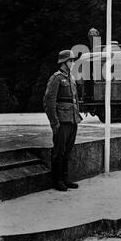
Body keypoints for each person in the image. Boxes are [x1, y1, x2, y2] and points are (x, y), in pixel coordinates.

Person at [43, 50, 82, 191]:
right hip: (62, 120)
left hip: (72, 120)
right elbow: (49, 102)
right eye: (70, 61)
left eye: (73, 60)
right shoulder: (56, 78)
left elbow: (75, 100)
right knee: (59, 152)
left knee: (67, 151)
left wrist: (77, 116)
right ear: (63, 62)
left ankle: (65, 178)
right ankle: (57, 180)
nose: (72, 63)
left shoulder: (71, 78)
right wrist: (54, 122)